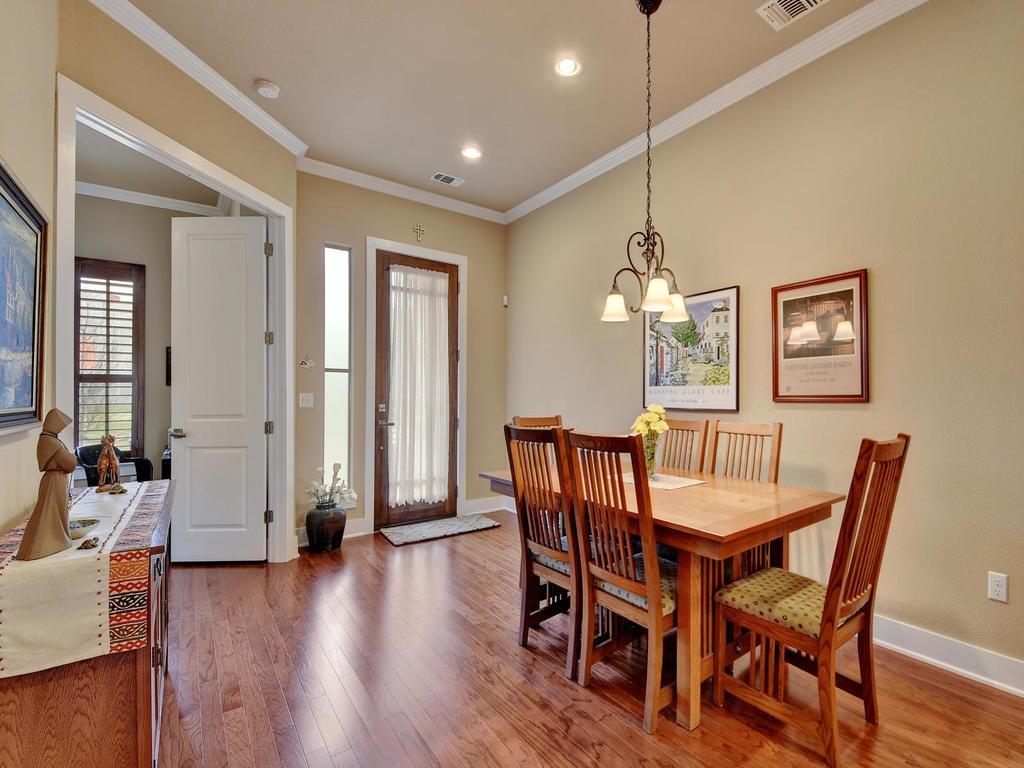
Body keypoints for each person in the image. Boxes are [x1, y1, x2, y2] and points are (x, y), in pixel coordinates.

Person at [16, 409, 77, 560]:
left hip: (54, 480)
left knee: (52, 511)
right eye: (60, 426)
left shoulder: (47, 439)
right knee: (51, 511)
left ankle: (54, 539)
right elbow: (69, 464)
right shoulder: (50, 442)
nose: (61, 430)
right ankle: (52, 540)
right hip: (54, 481)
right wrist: (73, 457)